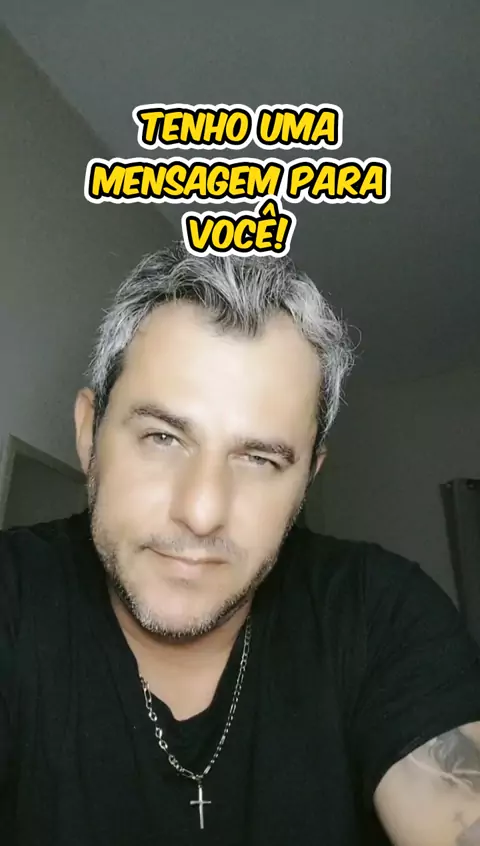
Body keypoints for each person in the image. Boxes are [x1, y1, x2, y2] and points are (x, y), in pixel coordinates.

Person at [1, 243, 480, 846]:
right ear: (88, 436)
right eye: (162, 437)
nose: (202, 512)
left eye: (259, 459)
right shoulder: (12, 597)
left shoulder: (379, 613)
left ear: (306, 480)